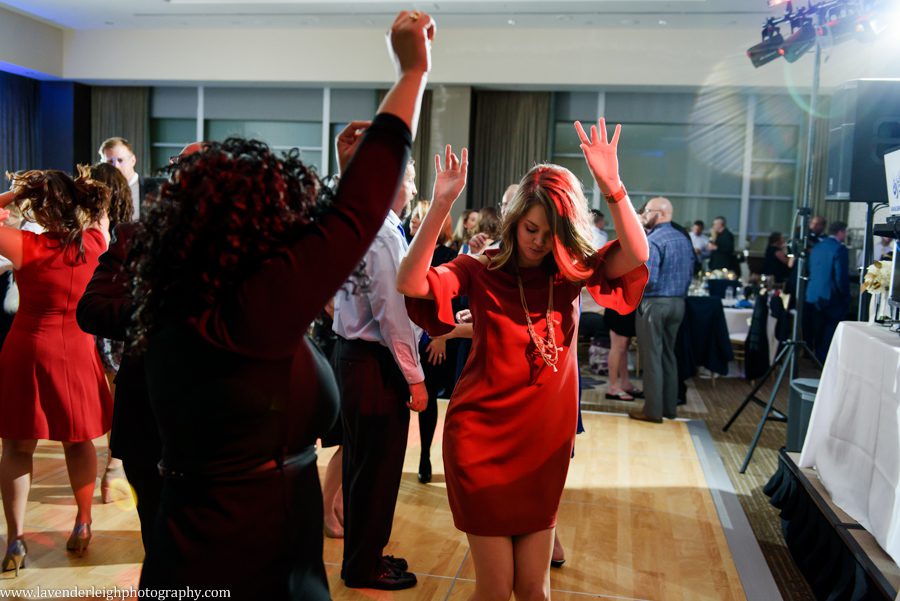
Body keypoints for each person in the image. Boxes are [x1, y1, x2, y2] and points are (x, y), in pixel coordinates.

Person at [129, 10, 435, 599]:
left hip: (189, 547)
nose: (295, 222)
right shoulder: (250, 319)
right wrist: (412, 71)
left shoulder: (177, 302)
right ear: (253, 227)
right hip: (248, 560)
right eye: (282, 210)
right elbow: (354, 217)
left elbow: (343, 221)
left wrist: (349, 168)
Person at [398, 118, 648, 601]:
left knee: (535, 590)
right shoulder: (481, 268)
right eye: (531, 228)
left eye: (550, 231)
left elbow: (636, 255)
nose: (538, 240)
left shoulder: (571, 274)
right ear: (514, 222)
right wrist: (442, 204)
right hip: (482, 439)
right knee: (495, 589)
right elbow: (411, 282)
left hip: (544, 445)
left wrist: (613, 186)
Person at [76, 144, 203, 554]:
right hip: (148, 415)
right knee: (159, 534)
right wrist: (159, 309)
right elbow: (91, 309)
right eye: (181, 168)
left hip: (219, 422)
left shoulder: (246, 247)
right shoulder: (135, 238)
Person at [0, 168, 122, 575]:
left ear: (37, 207)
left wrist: (11, 195)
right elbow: (102, 213)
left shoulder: (23, 245)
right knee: (79, 441)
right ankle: (83, 521)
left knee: (17, 447)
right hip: (76, 349)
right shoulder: (94, 241)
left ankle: (16, 537)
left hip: (28, 347)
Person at [332, 156, 427, 591]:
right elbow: (393, 316)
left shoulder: (357, 223)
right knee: (377, 471)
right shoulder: (384, 233)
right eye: (408, 180)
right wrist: (416, 377)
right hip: (375, 363)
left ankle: (363, 556)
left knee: (361, 465)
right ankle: (364, 566)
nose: (411, 189)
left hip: (352, 356)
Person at [630, 196, 695, 424]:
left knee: (651, 357)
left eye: (648, 211)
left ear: (661, 213)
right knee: (668, 355)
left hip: (655, 304)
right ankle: (669, 409)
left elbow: (650, 279)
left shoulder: (654, 240)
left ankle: (652, 411)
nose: (645, 215)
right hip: (679, 303)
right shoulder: (683, 238)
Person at [806, 221, 850, 364]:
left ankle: (816, 356)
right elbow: (840, 277)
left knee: (817, 328)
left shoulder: (817, 247)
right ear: (841, 232)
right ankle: (824, 360)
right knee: (829, 330)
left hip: (814, 294)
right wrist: (846, 296)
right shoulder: (839, 249)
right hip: (832, 296)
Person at [98, 137, 142, 220]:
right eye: (110, 162)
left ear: (133, 160)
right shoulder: (99, 192)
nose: (115, 166)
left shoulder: (153, 189)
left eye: (120, 160)